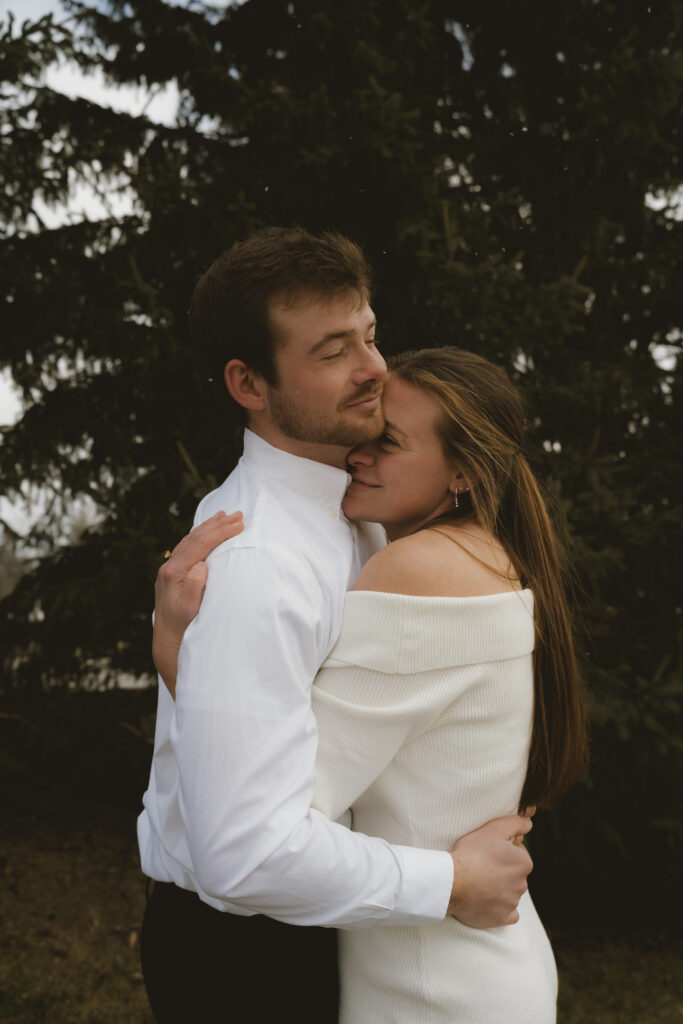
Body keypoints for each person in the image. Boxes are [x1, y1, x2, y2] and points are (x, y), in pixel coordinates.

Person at [137, 227, 536, 1023]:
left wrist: (186, 675)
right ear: (249, 384)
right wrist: (451, 883)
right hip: (248, 960)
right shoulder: (258, 560)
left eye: (369, 334)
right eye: (331, 352)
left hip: (331, 920)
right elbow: (245, 855)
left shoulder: (367, 503)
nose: (373, 369)